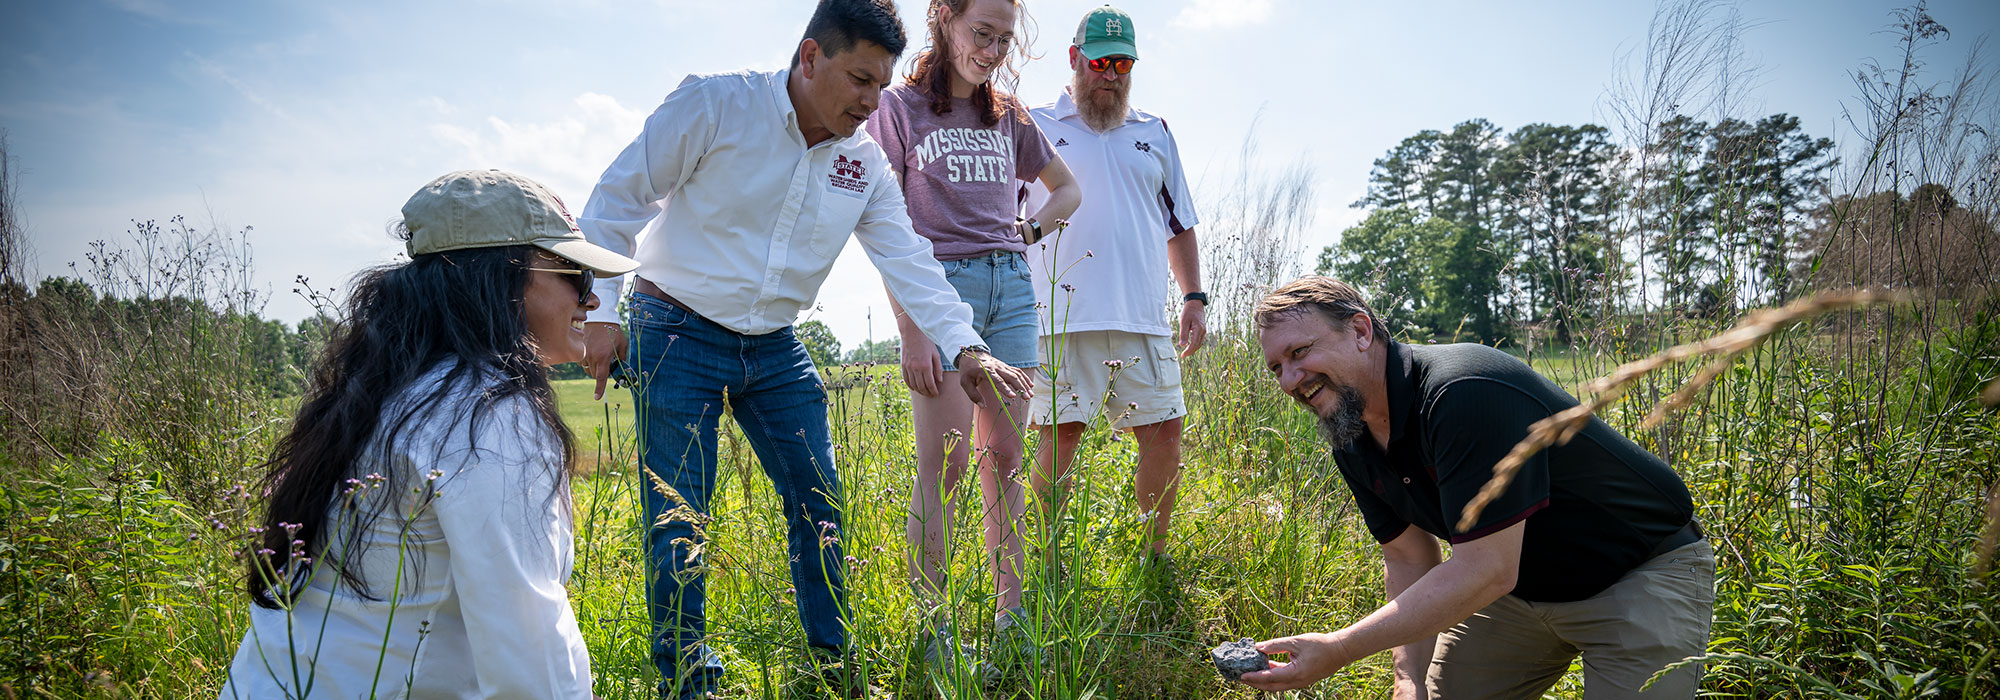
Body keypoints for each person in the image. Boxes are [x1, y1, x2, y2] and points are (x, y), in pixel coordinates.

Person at [573, 0, 1035, 695]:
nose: (871, 100)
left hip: (776, 343)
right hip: (675, 326)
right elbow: (616, 200)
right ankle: (686, 680)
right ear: (810, 56)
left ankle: (834, 664)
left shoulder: (865, 164)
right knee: (680, 517)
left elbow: (911, 260)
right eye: (857, 79)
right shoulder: (716, 105)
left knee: (820, 501)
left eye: (881, 85)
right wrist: (600, 310)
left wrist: (966, 348)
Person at [220, 169, 638, 698]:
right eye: (572, 273)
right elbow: (531, 657)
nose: (591, 299)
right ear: (500, 279)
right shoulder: (486, 414)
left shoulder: (380, 391)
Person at [1242, 276, 1715, 698]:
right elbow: (1410, 557)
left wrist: (1340, 648)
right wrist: (1408, 679)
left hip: (1638, 575)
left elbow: (1487, 568)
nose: (1290, 379)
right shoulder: (1351, 434)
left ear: (1362, 331)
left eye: (1299, 352)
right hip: (1518, 591)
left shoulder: (1462, 390)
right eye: (1276, 367)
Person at [863, 0, 1082, 666]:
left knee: (1008, 462)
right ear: (943, 18)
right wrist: (912, 328)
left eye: (1003, 40)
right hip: (938, 289)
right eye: (980, 34)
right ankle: (933, 627)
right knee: (949, 464)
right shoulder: (897, 110)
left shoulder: (1009, 114)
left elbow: (1066, 190)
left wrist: (1028, 233)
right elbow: (880, 224)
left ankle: (1011, 616)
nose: (990, 50)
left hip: (1011, 292)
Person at [1021, 4, 1205, 560]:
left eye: (1123, 64)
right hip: (1057, 316)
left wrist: (1194, 297)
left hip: (1142, 317)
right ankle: (1050, 565)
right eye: (1100, 61)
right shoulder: (1032, 124)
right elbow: (1004, 220)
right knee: (1060, 441)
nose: (1111, 74)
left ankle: (1154, 557)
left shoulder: (1155, 131)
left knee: (1164, 433)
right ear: (1075, 58)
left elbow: (1180, 224)